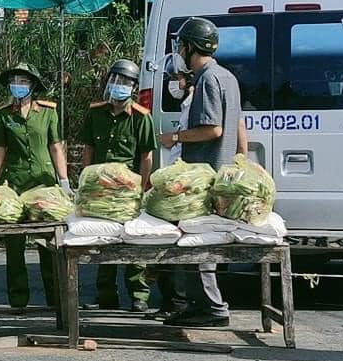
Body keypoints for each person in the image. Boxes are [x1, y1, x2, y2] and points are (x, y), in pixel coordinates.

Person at [157, 17, 241, 327]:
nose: (179, 50)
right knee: (193, 241)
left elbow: (214, 129)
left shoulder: (207, 80)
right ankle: (196, 304)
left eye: (181, 45)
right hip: (219, 172)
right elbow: (238, 125)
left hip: (203, 177)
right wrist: (240, 160)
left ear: (191, 46)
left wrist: (175, 138)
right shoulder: (227, 77)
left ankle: (213, 308)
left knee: (200, 243)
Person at [0, 63, 67, 311]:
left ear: (32, 86)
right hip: (17, 186)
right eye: (14, 81)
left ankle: (56, 299)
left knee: (50, 244)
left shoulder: (48, 113)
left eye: (23, 81)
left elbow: (56, 147)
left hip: (44, 183)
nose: (18, 85)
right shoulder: (3, 115)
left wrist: (64, 180)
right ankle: (18, 300)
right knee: (15, 243)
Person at [81, 58, 155, 312]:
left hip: (128, 191)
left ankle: (139, 296)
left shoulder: (141, 118)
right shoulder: (95, 113)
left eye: (125, 82)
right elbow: (88, 149)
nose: (118, 86)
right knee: (104, 241)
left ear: (133, 87)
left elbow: (146, 156)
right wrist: (86, 182)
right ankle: (105, 296)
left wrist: (142, 189)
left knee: (134, 241)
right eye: (115, 80)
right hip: (101, 189)